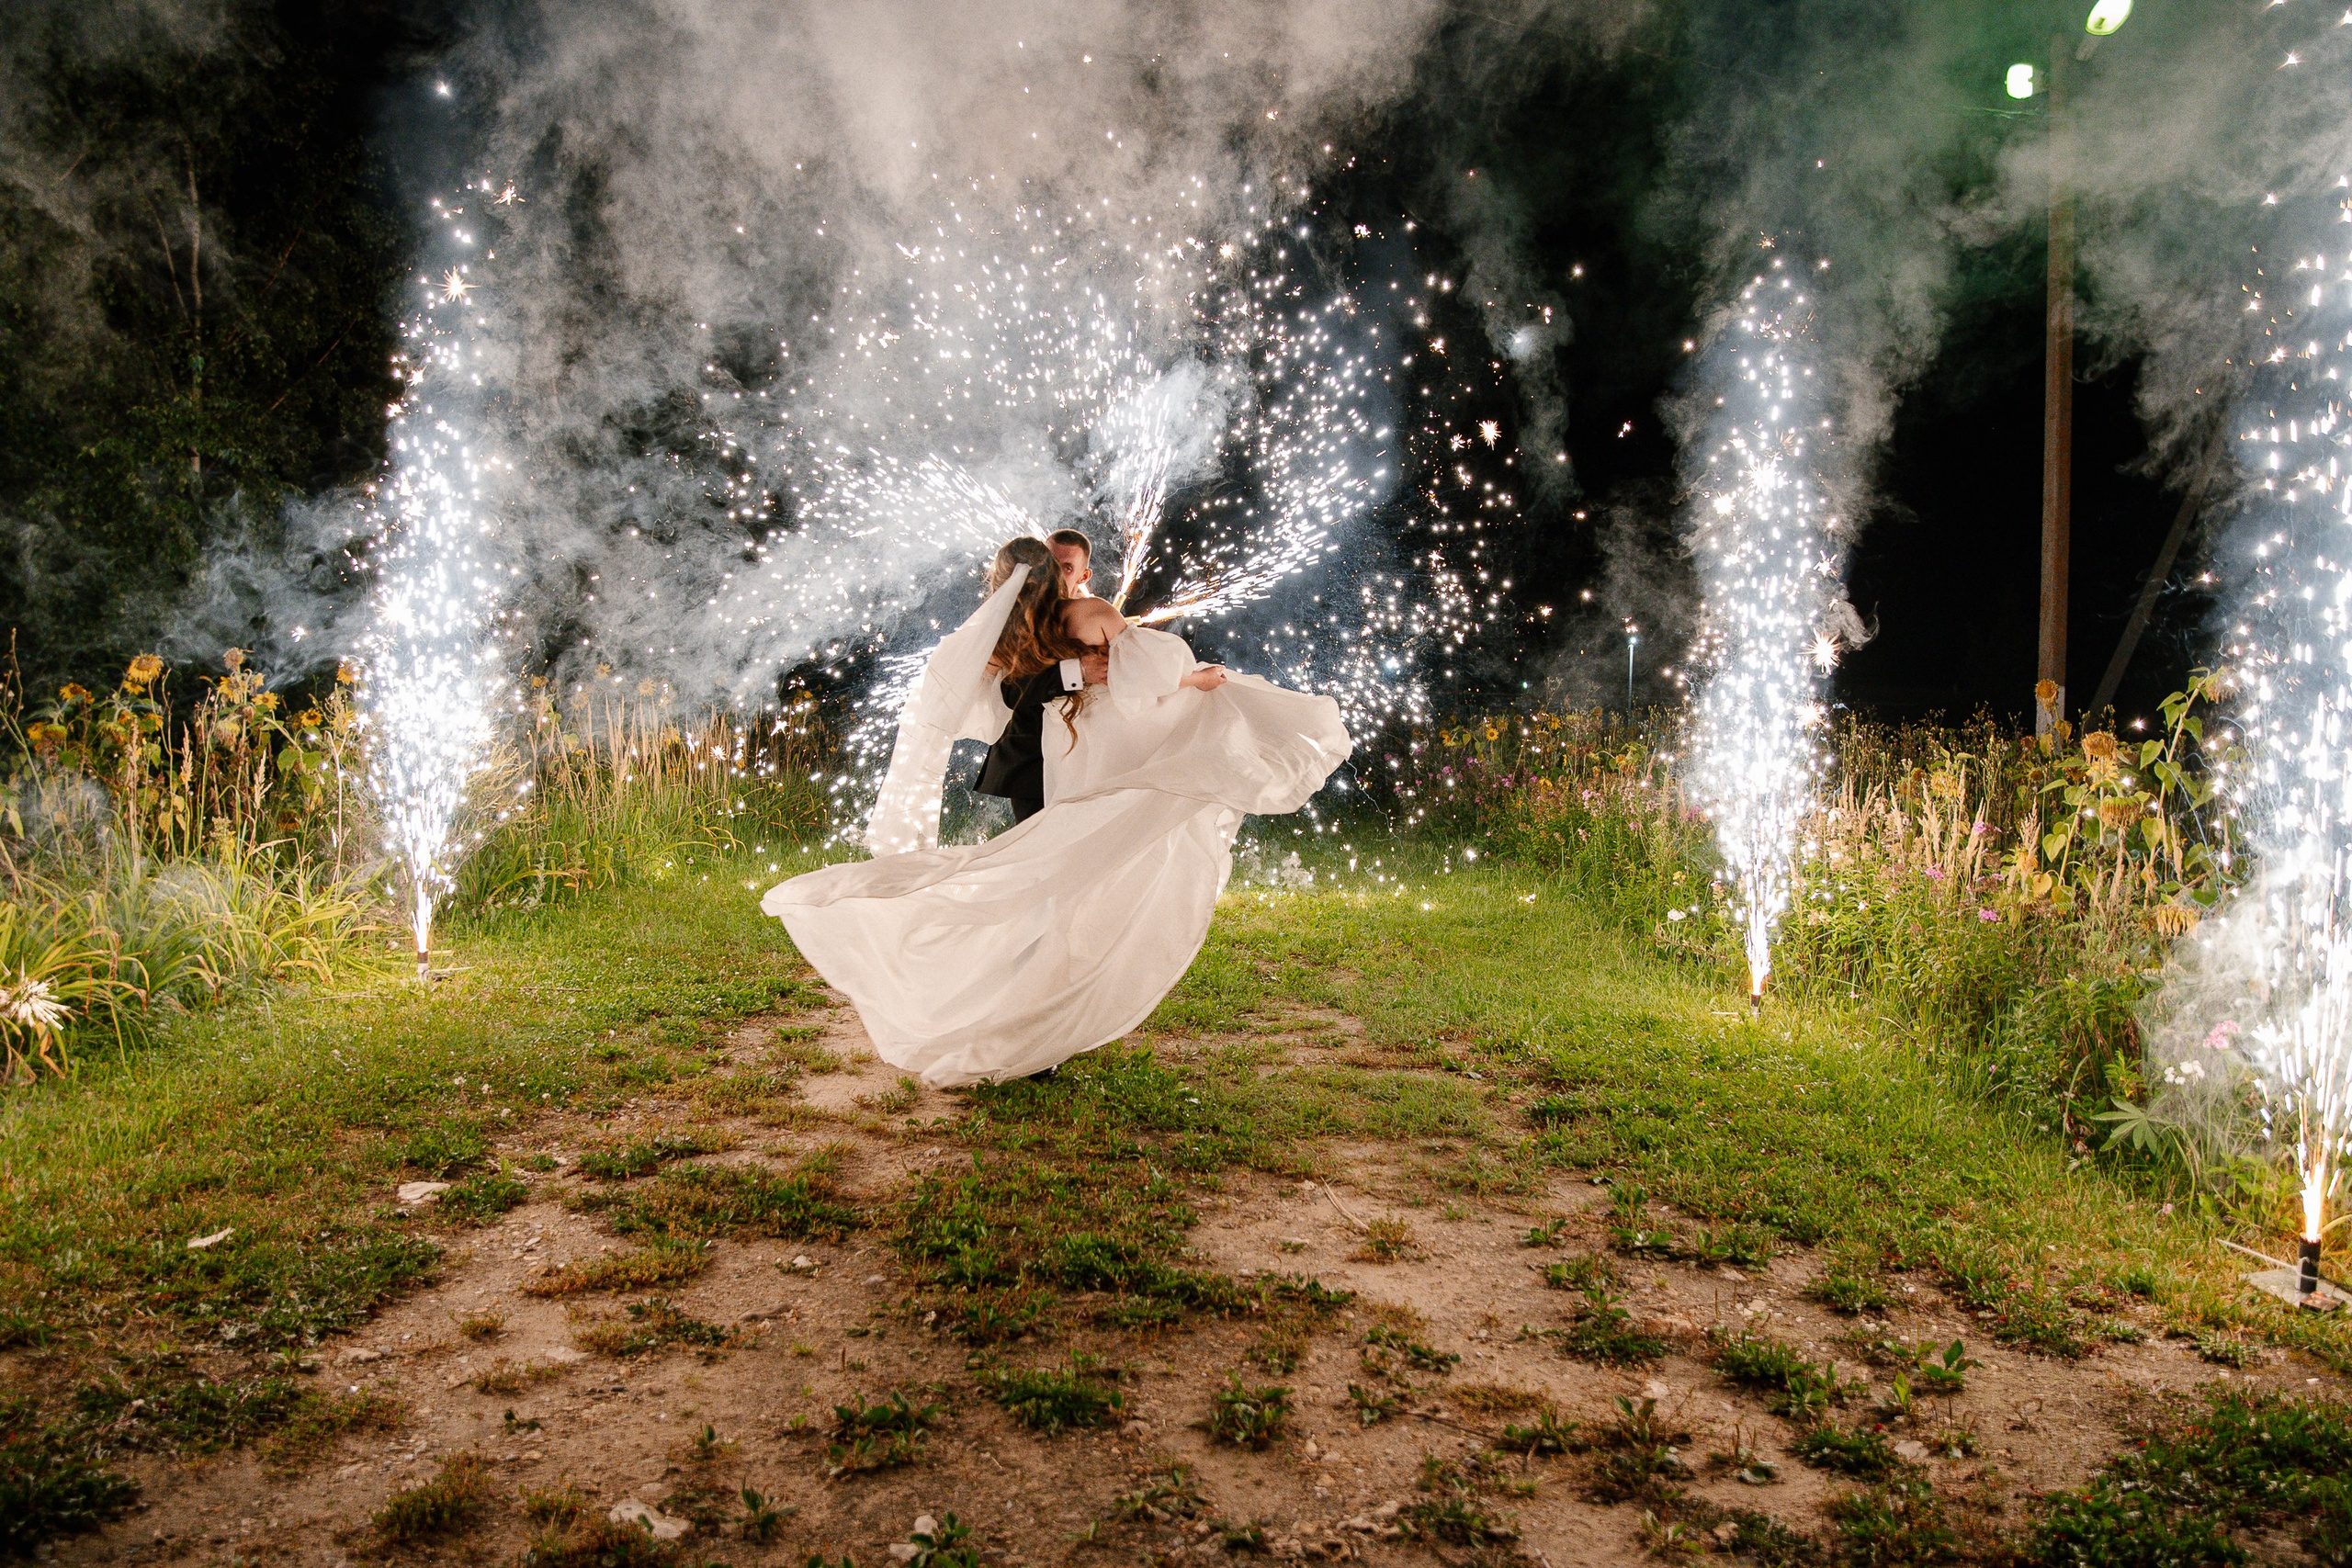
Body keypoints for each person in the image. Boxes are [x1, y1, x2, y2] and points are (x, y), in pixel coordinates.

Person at [760, 534, 1348, 1086]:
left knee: (1056, 892)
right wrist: (1184, 679)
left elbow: (1118, 682)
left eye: (1069, 568)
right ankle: (1022, 1024)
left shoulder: (1060, 619)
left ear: (1083, 572)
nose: (1059, 577)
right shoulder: (1049, 626)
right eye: (1054, 567)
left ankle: (1024, 1020)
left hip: (1083, 770)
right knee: (1047, 891)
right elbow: (1076, 683)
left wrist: (1167, 679)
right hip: (1048, 772)